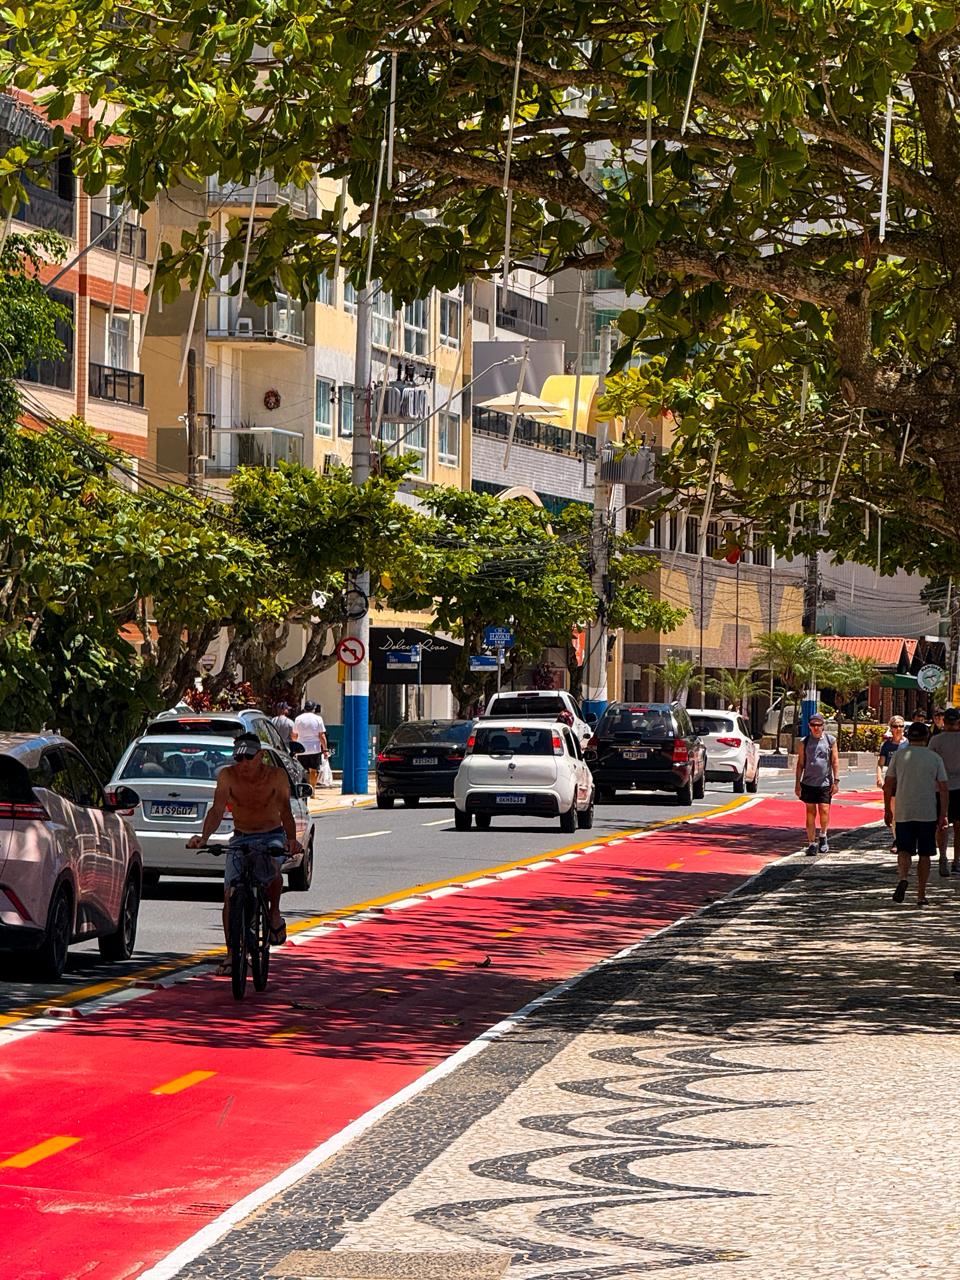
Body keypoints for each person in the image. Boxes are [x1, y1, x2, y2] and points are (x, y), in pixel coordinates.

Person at [186, 733, 302, 974]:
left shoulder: (276, 776)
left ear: (260, 756)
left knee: (273, 870)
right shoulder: (228, 776)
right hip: (241, 836)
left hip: (271, 834)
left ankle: (273, 912)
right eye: (239, 758)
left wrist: (291, 840)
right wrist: (204, 838)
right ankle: (231, 954)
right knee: (230, 894)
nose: (244, 763)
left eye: (249, 757)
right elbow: (217, 810)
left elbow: (286, 812)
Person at [884, 720, 948, 906]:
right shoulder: (934, 758)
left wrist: (888, 808)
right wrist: (943, 813)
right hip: (927, 811)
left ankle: (903, 877)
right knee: (925, 854)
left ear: (909, 737)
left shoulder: (898, 756)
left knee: (904, 850)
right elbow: (943, 788)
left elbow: (888, 785)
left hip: (904, 810)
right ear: (927, 737)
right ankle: (921, 894)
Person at [795, 712, 841, 856]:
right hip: (808, 783)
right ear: (809, 726)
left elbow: (834, 761)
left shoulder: (830, 741)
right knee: (810, 812)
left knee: (824, 810)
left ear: (823, 726)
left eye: (819, 725)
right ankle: (811, 843)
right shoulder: (804, 742)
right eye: (813, 725)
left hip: (825, 783)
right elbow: (800, 763)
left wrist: (836, 780)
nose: (816, 728)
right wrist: (797, 783)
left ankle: (823, 835)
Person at [931, 707, 960, 876]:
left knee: (942, 824)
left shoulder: (936, 740)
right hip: (956, 787)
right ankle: (956, 860)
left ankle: (943, 857)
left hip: (940, 787)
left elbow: (930, 764)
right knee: (957, 826)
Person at [877, 716, 906, 854]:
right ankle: (897, 839)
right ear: (891, 728)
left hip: (907, 782)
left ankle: (908, 837)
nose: (898, 729)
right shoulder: (887, 745)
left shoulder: (909, 744)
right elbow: (880, 763)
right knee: (894, 812)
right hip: (892, 782)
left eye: (901, 726)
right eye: (895, 726)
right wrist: (879, 777)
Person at [293, 700, 329, 788]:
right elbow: (322, 736)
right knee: (314, 771)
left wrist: (295, 747)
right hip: (314, 749)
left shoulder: (298, 719)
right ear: (313, 709)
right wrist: (325, 750)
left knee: (302, 771)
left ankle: (304, 789)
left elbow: (294, 735)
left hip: (301, 749)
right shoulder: (318, 719)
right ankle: (312, 790)